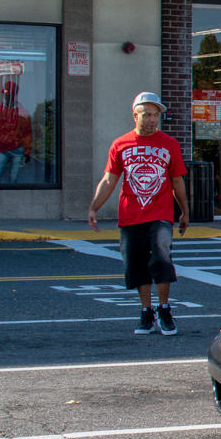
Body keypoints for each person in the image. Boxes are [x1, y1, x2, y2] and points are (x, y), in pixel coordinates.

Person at [87, 92, 189, 335]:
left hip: (160, 214)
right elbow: (109, 179)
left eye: (156, 115)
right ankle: (146, 311)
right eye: (147, 114)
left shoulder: (169, 144)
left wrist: (184, 211)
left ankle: (165, 309)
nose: (153, 119)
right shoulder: (121, 144)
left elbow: (177, 181)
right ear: (135, 115)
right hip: (130, 215)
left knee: (162, 259)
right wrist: (94, 207)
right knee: (136, 265)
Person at [0, 78, 32, 183]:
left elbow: (27, 133)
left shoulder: (23, 113)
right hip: (2, 149)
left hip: (17, 149)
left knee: (13, 179)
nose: (7, 96)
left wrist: (27, 151)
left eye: (9, 94)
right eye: (5, 94)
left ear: (14, 94)